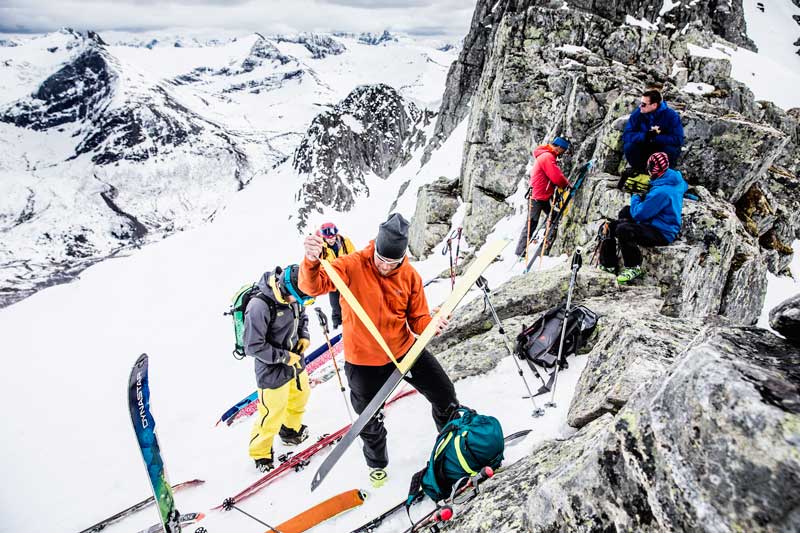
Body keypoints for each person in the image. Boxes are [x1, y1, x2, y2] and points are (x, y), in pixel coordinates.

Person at [299, 213, 458, 488]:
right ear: (376, 249)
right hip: (363, 361)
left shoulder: (409, 276)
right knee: (368, 420)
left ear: (402, 257)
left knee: (445, 395)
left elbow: (417, 319)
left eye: (392, 262)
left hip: (404, 351)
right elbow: (311, 286)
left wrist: (431, 325)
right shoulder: (352, 265)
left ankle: (449, 446)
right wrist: (311, 261)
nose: (384, 266)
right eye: (380, 259)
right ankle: (377, 464)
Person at [244, 264, 315, 472]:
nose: (300, 303)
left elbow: (302, 316)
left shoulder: (296, 294)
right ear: (285, 290)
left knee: (300, 397)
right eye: (298, 299)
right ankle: (261, 453)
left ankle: (290, 431)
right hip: (272, 370)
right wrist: (284, 357)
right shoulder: (259, 306)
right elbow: (252, 345)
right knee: (272, 413)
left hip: (295, 361)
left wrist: (304, 336)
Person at [599, 152, 688, 284]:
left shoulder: (661, 192)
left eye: (649, 168)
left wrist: (636, 196)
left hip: (662, 232)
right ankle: (609, 264)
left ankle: (633, 266)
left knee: (623, 229)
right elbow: (682, 187)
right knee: (619, 219)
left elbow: (639, 214)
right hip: (659, 222)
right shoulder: (675, 179)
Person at [515, 136, 571, 258]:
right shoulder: (547, 157)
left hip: (541, 195)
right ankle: (520, 251)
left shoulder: (547, 155)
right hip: (538, 197)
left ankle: (545, 243)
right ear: (559, 147)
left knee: (553, 217)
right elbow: (556, 177)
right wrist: (566, 185)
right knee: (532, 223)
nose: (564, 153)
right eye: (564, 150)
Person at [622, 89, 684, 173]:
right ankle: (639, 170)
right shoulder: (637, 114)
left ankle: (662, 172)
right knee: (629, 146)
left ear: (654, 105)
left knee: (671, 149)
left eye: (643, 104)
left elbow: (678, 139)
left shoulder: (671, 116)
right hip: (644, 146)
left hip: (661, 148)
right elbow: (626, 135)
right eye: (641, 103)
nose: (640, 106)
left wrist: (655, 138)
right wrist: (644, 136)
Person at [318, 222, 356, 329]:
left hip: (347, 277)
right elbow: (320, 266)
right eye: (328, 238)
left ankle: (352, 322)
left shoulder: (345, 242)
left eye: (333, 237)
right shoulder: (322, 248)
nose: (331, 240)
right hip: (332, 280)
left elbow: (354, 257)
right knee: (335, 304)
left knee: (351, 301)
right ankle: (338, 325)